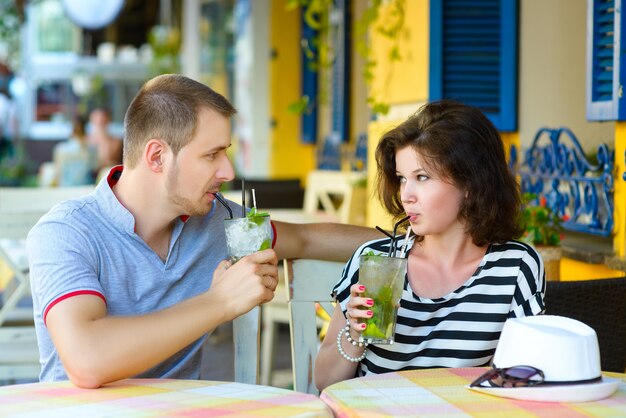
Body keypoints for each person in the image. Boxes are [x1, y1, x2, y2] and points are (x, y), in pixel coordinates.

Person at [26, 74, 378, 389]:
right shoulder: (66, 233)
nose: (227, 170)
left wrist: (412, 241)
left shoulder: (218, 221)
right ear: (157, 157)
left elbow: (308, 238)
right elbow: (88, 361)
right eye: (212, 155)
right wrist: (219, 302)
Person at [314, 100, 545, 391]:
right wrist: (355, 334)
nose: (406, 195)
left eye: (422, 177)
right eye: (401, 179)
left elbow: (523, 376)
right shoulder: (374, 261)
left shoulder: (515, 266)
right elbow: (324, 382)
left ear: (471, 183)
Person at [52, 115, 98, 186]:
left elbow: (58, 173)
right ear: (86, 132)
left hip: (65, 188)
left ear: (71, 132)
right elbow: (95, 169)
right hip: (85, 189)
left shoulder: (60, 149)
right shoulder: (92, 150)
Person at [88, 107, 123, 172]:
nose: (100, 120)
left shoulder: (116, 142)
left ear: (108, 119)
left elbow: (108, 160)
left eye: (102, 117)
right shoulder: (87, 141)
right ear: (91, 119)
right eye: (97, 117)